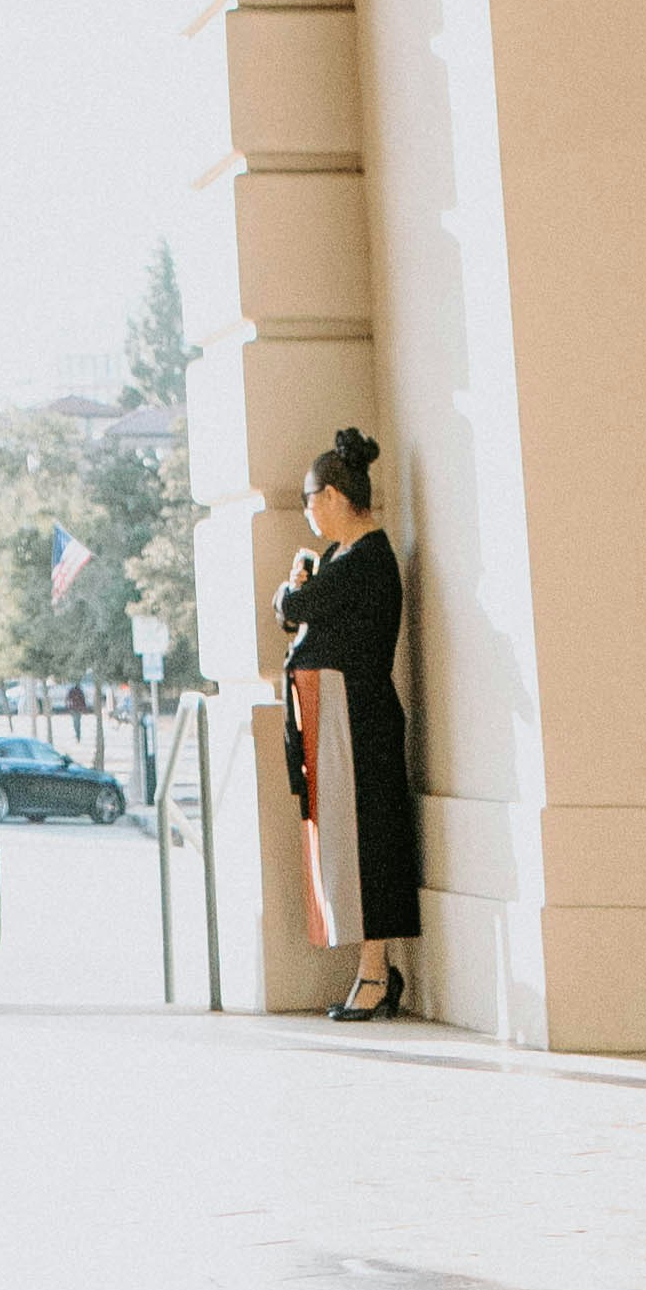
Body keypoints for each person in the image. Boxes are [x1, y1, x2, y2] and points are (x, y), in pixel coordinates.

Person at [279, 425, 421, 1021]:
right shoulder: (346, 558)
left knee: (368, 845)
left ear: (334, 496)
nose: (308, 513)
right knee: (348, 845)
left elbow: (294, 608)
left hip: (356, 725)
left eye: (309, 500)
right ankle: (370, 972)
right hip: (339, 724)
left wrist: (293, 582)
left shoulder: (367, 559)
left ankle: (374, 973)